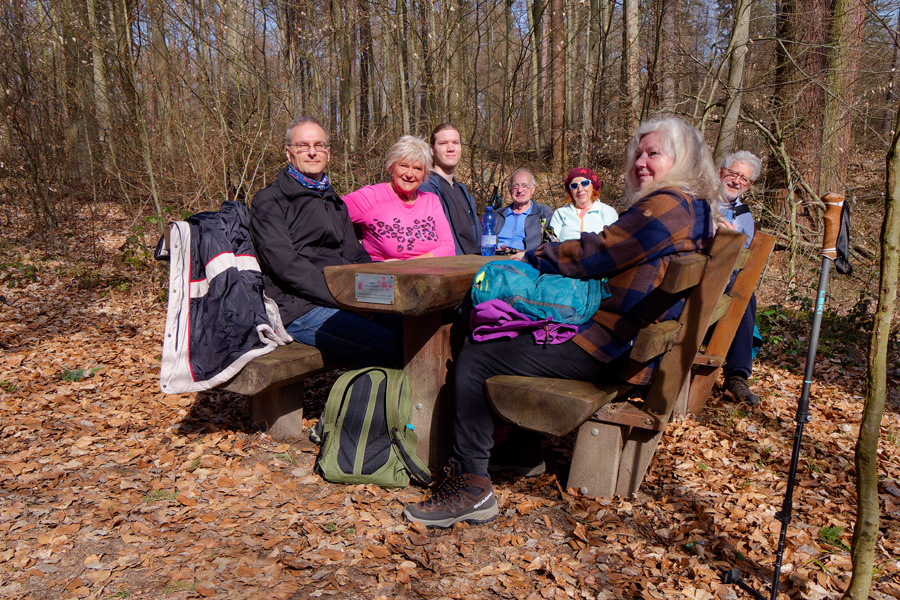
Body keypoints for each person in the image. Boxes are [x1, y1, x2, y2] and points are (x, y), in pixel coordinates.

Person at [403, 116, 720, 528]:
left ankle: (470, 484)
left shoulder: (667, 204)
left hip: (610, 344)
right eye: (638, 153)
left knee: (478, 352)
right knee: (505, 327)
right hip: (632, 337)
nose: (641, 162)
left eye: (653, 153)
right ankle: (518, 451)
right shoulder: (694, 207)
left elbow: (600, 253)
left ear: (682, 160)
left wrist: (535, 257)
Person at [250, 116, 400, 366]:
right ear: (289, 153)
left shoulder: (333, 200)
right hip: (299, 308)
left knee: (417, 326)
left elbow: (356, 256)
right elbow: (286, 266)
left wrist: (380, 292)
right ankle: (371, 403)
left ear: (328, 153)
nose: (311, 152)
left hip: (343, 298)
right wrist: (346, 300)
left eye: (319, 145)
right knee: (388, 345)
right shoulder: (269, 201)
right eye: (302, 146)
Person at [342, 136, 456, 261]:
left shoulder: (431, 201)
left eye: (418, 168)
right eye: (404, 165)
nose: (409, 174)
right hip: (384, 277)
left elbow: (448, 247)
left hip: (430, 275)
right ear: (392, 167)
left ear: (425, 174)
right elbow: (329, 217)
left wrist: (409, 264)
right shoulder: (370, 197)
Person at [717, 150, 764, 406]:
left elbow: (743, 258)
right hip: (695, 273)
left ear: (749, 185)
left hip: (727, 279)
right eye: (733, 173)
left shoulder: (745, 215)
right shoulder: (701, 199)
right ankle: (737, 374)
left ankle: (736, 376)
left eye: (744, 178)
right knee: (742, 294)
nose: (736, 181)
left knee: (744, 293)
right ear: (721, 172)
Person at [417, 124, 481, 255]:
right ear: (432, 150)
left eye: (455, 143)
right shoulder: (425, 188)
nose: (451, 148)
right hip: (447, 267)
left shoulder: (464, 193)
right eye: (443, 143)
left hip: (473, 265)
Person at [549, 167, 618, 241]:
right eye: (574, 186)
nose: (580, 189)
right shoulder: (560, 213)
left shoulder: (608, 212)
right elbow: (552, 243)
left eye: (585, 183)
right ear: (570, 191)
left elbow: (613, 243)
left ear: (592, 187)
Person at [495, 168, 554, 253]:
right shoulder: (498, 215)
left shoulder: (544, 213)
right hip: (495, 260)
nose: (519, 190)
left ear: (533, 188)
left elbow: (552, 244)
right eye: (515, 186)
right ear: (509, 189)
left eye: (524, 186)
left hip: (527, 261)